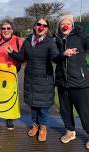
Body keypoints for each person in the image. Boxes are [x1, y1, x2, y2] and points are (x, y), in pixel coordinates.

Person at [7, 17, 76, 141]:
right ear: (35, 26)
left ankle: (43, 128)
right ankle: (35, 125)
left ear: (47, 29)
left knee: (43, 107)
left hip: (45, 80)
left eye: (44, 25)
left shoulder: (50, 42)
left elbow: (55, 57)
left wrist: (63, 55)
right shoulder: (28, 40)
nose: (41, 27)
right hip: (30, 79)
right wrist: (12, 52)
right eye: (39, 24)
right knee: (33, 105)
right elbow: (21, 57)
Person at [54, 14, 89, 149]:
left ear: (72, 25)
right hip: (63, 83)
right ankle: (70, 132)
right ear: (59, 27)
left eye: (68, 23)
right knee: (65, 110)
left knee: (84, 112)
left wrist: (82, 31)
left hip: (79, 82)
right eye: (62, 23)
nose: (65, 25)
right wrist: (63, 54)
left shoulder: (80, 37)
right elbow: (54, 58)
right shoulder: (56, 40)